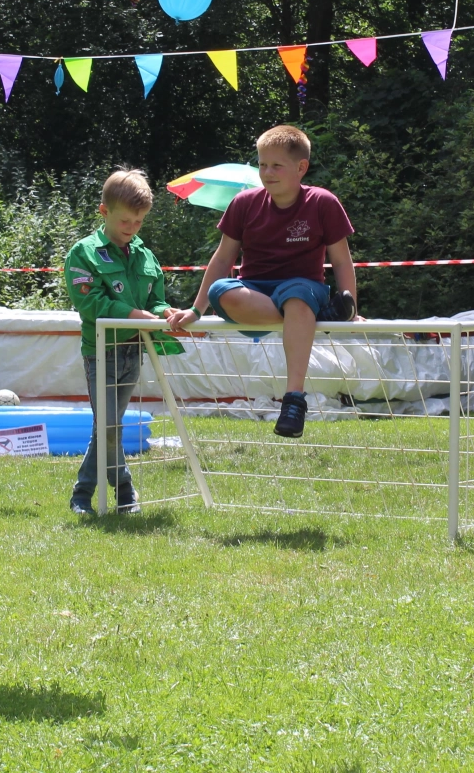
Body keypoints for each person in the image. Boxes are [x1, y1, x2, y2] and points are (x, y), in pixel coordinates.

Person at [165, 125, 357, 438]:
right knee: (220, 292)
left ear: (301, 168)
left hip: (302, 288)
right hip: (254, 293)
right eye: (262, 164)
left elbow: (341, 261)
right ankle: (311, 318)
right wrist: (196, 311)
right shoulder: (243, 204)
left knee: (297, 297)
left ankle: (294, 400)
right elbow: (223, 259)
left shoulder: (323, 202)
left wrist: (351, 305)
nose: (267, 172)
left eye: (276, 165)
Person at [62, 168, 173, 516]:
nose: (132, 228)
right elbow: (91, 304)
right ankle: (113, 492)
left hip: (134, 351)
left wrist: (166, 311)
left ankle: (97, 494)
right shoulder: (83, 254)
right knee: (109, 425)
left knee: (109, 425)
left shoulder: (145, 255)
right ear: (104, 212)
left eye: (139, 221)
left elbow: (155, 298)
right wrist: (138, 316)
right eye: (126, 220)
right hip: (101, 351)